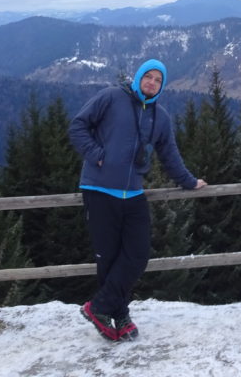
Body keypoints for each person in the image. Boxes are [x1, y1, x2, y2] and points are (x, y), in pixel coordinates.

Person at [68, 58, 207, 342]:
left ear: (162, 86)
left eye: (158, 80)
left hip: (133, 193)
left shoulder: (161, 117)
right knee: (108, 258)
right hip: (99, 189)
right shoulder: (111, 97)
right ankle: (119, 316)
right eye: (148, 77)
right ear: (139, 77)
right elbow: (78, 126)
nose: (152, 83)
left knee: (137, 255)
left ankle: (100, 308)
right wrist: (97, 155)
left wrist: (190, 182)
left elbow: (170, 156)